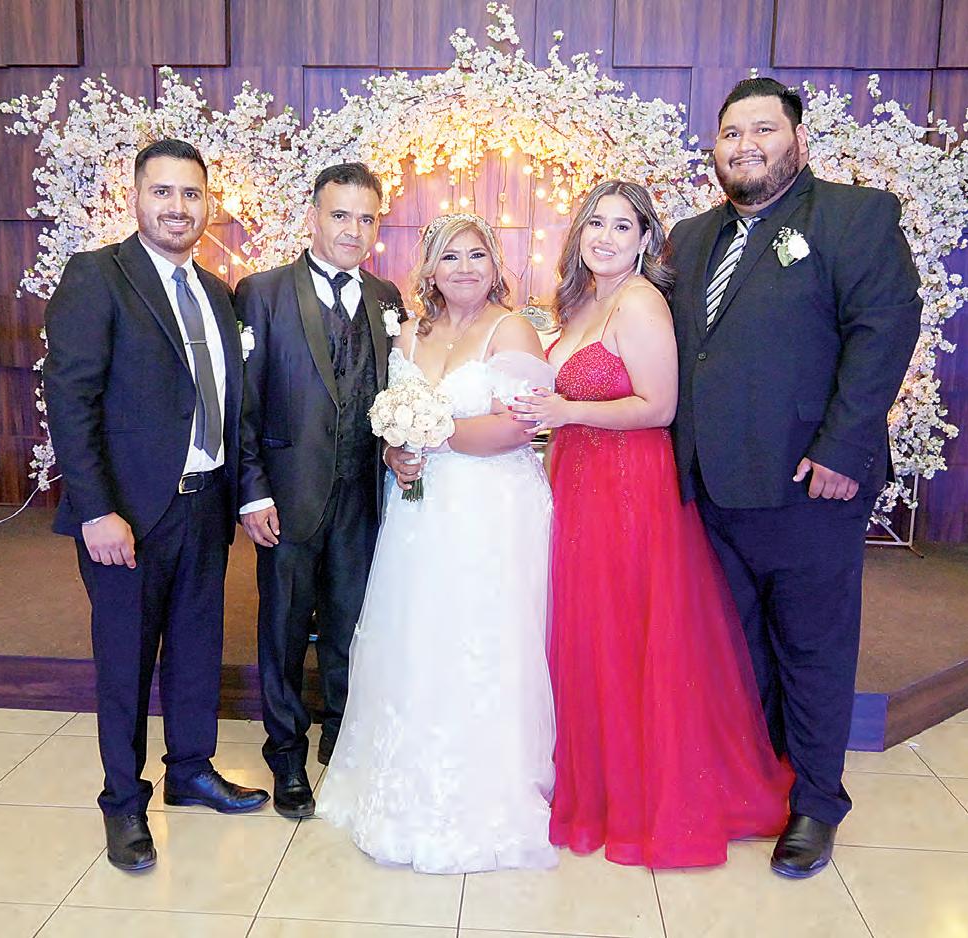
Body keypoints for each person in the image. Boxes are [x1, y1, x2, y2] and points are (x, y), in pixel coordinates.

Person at [667, 78, 922, 877]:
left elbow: (883, 331)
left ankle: (816, 803)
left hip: (809, 484)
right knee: (740, 650)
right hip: (711, 488)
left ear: (797, 141)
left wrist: (844, 448)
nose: (744, 145)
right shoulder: (690, 236)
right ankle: (765, 778)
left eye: (762, 130)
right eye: (729, 133)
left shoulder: (852, 216)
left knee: (812, 649)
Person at [513, 180, 793, 869]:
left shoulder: (640, 302)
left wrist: (566, 412)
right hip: (577, 479)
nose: (605, 237)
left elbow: (658, 407)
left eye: (622, 226)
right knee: (587, 632)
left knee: (626, 635)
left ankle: (640, 795)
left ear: (645, 240)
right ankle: (597, 781)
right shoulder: (582, 301)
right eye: (595, 224)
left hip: (627, 488)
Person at [43, 139, 269, 872]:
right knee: (126, 662)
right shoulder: (97, 276)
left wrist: (244, 490)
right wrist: (95, 509)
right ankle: (122, 802)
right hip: (128, 516)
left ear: (209, 204)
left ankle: (192, 770)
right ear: (135, 197)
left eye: (191, 194)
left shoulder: (218, 292)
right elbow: (70, 399)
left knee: (199, 647)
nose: (178, 207)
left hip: (206, 504)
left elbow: (232, 403)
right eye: (163, 192)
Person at [315, 213, 557, 874]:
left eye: (476, 255)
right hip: (420, 508)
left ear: (495, 264)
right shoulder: (411, 331)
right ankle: (404, 776)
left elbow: (518, 426)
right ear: (429, 270)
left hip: (490, 508)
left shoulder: (511, 329)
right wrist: (397, 450)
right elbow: (393, 422)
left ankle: (486, 784)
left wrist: (434, 431)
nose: (464, 269)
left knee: (480, 635)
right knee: (417, 631)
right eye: (450, 257)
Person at [237, 162, 405, 819]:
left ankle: (341, 733)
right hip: (288, 495)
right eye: (340, 215)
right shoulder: (263, 292)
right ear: (312, 218)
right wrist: (253, 490)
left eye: (366, 218)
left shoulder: (387, 298)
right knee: (283, 628)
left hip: (364, 493)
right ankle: (286, 753)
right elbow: (243, 403)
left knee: (350, 623)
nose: (353, 230)